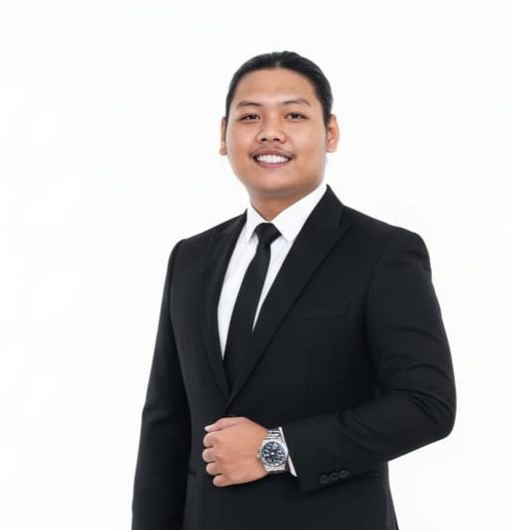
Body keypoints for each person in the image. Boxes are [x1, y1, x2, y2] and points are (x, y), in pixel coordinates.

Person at [131, 51, 456, 530]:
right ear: (223, 135)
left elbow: (426, 404)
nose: (270, 132)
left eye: (294, 115)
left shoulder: (382, 252)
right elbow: (166, 421)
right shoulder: (191, 258)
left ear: (330, 132)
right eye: (250, 117)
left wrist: (274, 450)